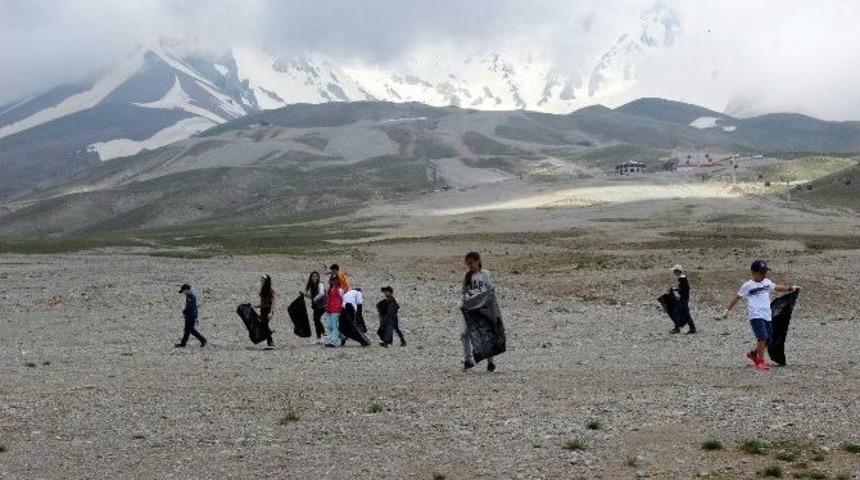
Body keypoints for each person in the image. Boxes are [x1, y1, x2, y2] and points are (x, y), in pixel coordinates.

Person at [721, 260, 799, 371]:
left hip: (767, 315)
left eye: (765, 272)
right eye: (761, 272)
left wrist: (791, 288)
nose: (764, 275)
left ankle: (753, 353)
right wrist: (727, 310)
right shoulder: (748, 285)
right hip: (755, 315)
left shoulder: (767, 282)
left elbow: (777, 287)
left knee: (769, 339)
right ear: (753, 273)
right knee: (762, 336)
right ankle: (760, 361)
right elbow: (737, 298)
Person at [461, 252, 497, 372]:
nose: (470, 266)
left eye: (471, 263)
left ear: (477, 261)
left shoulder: (485, 274)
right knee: (465, 333)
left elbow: (491, 290)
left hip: (482, 308)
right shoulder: (467, 276)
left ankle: (491, 362)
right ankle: (468, 360)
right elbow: (463, 292)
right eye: (468, 264)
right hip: (470, 309)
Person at [175, 284, 207, 348]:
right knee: (187, 330)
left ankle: (203, 340)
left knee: (191, 330)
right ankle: (183, 343)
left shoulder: (191, 296)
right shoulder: (189, 296)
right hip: (189, 315)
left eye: (183, 291)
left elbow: (189, 307)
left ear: (186, 290)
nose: (183, 293)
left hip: (191, 315)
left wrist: (183, 312)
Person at [669, 265, 696, 334]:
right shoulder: (683, 278)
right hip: (684, 299)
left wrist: (678, 291)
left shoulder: (681, 279)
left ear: (677, 271)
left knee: (675, 313)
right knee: (686, 314)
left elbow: (684, 289)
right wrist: (675, 289)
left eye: (674, 271)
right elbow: (684, 288)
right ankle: (692, 328)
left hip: (683, 299)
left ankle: (677, 328)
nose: (673, 272)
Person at [302, 271, 326, 343]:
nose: (315, 277)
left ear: (318, 277)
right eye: (313, 276)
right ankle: (321, 335)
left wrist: (314, 298)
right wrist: (306, 296)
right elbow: (312, 297)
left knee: (316, 319)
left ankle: (322, 334)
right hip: (316, 306)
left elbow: (321, 293)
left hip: (322, 305)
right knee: (316, 320)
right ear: (311, 277)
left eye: (316, 276)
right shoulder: (312, 285)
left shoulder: (320, 284)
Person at [324, 276, 345, 348]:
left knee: (334, 326)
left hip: (336, 310)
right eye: (332, 280)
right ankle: (342, 337)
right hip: (329, 310)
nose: (333, 282)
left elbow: (343, 300)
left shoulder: (340, 290)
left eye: (335, 280)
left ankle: (333, 341)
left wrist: (340, 310)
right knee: (329, 325)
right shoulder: (329, 290)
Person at [256, 275, 276, 349]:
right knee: (263, 325)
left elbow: (273, 302)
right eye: (261, 280)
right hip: (263, 310)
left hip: (268, 310)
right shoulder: (263, 289)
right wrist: (255, 306)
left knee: (264, 325)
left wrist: (271, 312)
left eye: (263, 280)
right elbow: (263, 303)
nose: (261, 281)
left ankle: (271, 342)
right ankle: (270, 336)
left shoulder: (270, 290)